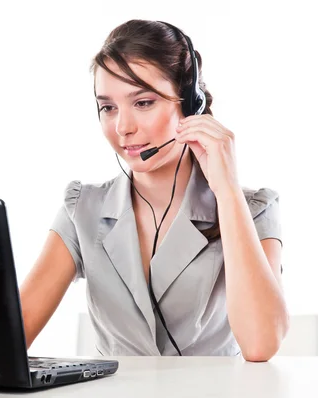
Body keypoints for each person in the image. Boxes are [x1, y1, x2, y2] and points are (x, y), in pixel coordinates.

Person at [18, 19, 288, 362]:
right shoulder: (82, 209)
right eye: (108, 107)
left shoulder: (252, 209)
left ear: (191, 105)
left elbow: (261, 344)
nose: (122, 127)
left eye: (143, 102)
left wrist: (227, 191)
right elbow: (10, 335)